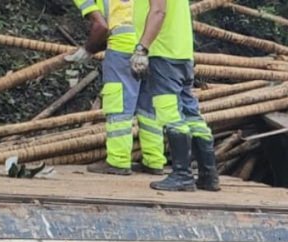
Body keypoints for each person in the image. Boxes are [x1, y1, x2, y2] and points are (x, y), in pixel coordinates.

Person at [133, 0, 218, 192]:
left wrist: (142, 48)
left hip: (164, 53)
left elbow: (158, 12)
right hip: (182, 53)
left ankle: (182, 174)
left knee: (169, 112)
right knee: (191, 114)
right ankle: (208, 174)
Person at [69, 0, 161, 176]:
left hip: (122, 49)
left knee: (119, 106)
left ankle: (118, 161)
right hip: (150, 47)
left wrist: (87, 50)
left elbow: (101, 27)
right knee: (149, 108)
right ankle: (154, 160)